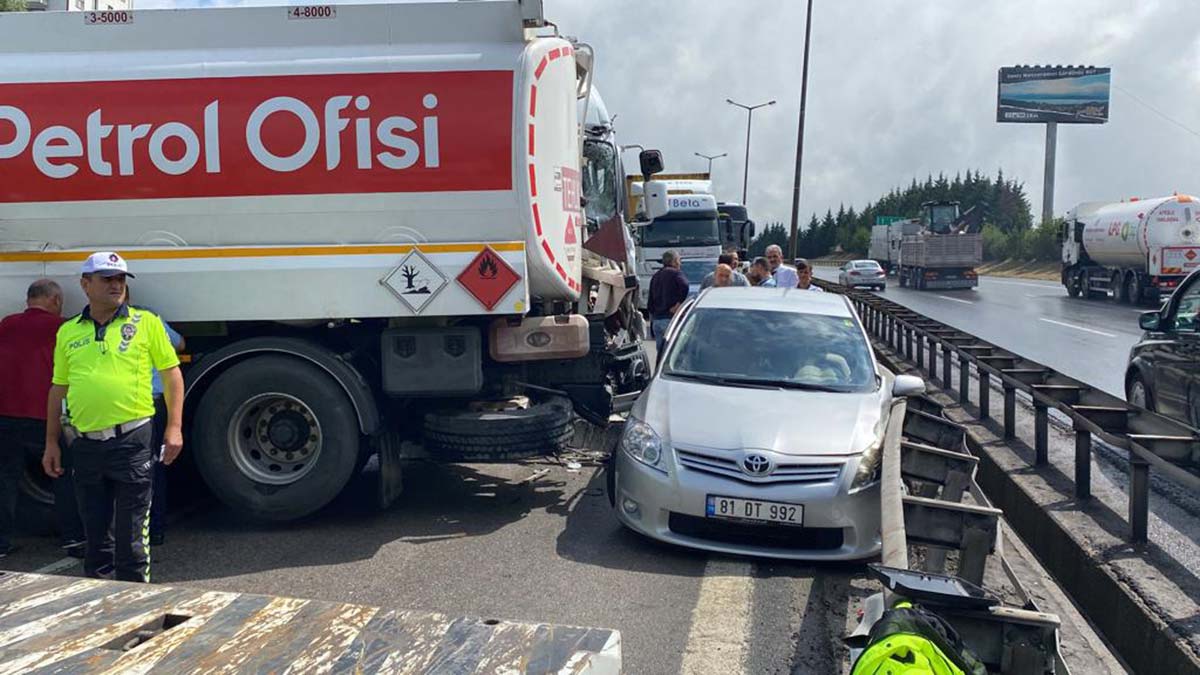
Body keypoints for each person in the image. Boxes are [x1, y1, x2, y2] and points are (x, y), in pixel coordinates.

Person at [43, 252, 184, 583]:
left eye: (120, 279)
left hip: (132, 439)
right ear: (85, 284)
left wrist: (174, 427)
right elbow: (58, 388)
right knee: (95, 540)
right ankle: (99, 605)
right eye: (107, 279)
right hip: (85, 443)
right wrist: (51, 441)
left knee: (131, 539)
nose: (116, 285)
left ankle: (135, 606)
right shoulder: (68, 332)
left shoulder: (145, 323)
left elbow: (172, 375)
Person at [0, 280, 86, 558]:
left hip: (6, 413)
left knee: (6, 478)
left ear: (29, 300)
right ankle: (72, 538)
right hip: (45, 415)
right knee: (62, 474)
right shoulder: (62, 327)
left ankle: (1, 542)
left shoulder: (6, 324)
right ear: (55, 300)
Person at [124, 288, 185, 547]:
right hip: (154, 401)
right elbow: (179, 344)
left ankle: (130, 531)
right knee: (154, 467)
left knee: (127, 469)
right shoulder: (148, 318)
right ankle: (154, 529)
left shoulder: (100, 328)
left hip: (126, 405)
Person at [647, 250, 689, 354]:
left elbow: (650, 302)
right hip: (670, 319)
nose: (680, 263)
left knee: (661, 354)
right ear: (674, 261)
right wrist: (679, 304)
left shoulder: (656, 276)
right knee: (675, 353)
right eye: (679, 260)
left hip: (657, 321)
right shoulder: (675, 273)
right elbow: (685, 285)